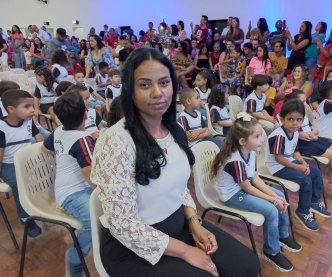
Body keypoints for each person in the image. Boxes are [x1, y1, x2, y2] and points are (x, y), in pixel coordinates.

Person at [90, 48, 260, 277]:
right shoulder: (115, 140)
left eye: (164, 82)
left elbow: (179, 188)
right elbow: (122, 224)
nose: (157, 92)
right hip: (133, 247)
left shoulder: (174, 130)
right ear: (130, 89)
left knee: (247, 265)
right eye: (144, 85)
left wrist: (194, 222)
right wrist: (185, 251)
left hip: (179, 225)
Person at [211, 113, 301, 272]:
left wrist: (275, 197)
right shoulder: (236, 161)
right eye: (257, 136)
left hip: (244, 188)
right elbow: (248, 188)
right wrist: (272, 201)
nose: (262, 139)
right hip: (233, 196)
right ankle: (271, 251)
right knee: (272, 210)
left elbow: (255, 178)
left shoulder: (250, 152)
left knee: (279, 195)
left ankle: (282, 234)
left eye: (261, 135)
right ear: (242, 141)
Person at [41, 92, 95, 277]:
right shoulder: (83, 139)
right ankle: (74, 259)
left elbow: (44, 148)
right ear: (85, 115)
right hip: (73, 194)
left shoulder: (59, 131)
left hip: (68, 189)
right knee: (93, 219)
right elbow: (90, 175)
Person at [268, 99, 332, 231]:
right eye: (290, 119)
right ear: (282, 119)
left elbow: (295, 151)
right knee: (306, 181)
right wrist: (298, 167)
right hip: (277, 167)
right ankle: (303, 211)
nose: (295, 123)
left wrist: (303, 163)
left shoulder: (295, 132)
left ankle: (314, 201)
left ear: (303, 120)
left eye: (298, 120)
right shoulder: (279, 136)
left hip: (289, 162)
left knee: (315, 172)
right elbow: (279, 158)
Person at [285, 89, 332, 191]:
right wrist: (301, 134)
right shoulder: (291, 117)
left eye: (306, 101)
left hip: (312, 139)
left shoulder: (303, 113)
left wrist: (314, 133)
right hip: (303, 144)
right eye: (303, 101)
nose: (306, 104)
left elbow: (313, 128)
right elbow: (293, 133)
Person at [0, 89, 44, 237]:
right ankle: (25, 217)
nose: (32, 110)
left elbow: (39, 140)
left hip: (27, 161)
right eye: (27, 107)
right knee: (20, 183)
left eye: (32, 106)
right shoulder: (2, 128)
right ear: (11, 109)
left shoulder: (28, 121)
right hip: (8, 164)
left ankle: (41, 205)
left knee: (46, 173)